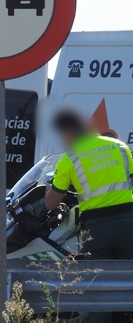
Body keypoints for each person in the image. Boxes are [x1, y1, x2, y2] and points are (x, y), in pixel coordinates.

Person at [45, 110, 133, 258]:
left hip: (97, 228)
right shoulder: (121, 147)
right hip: (128, 222)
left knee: (97, 278)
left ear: (68, 132)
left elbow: (50, 204)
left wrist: (49, 185)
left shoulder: (69, 159)